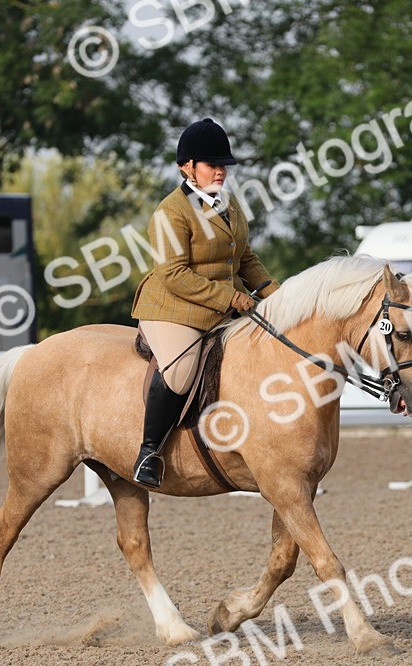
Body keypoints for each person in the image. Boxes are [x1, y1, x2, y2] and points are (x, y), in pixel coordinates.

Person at [129, 118, 280, 488]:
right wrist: (231, 296)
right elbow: (173, 274)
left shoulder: (230, 206)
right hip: (173, 308)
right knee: (180, 371)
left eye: (223, 165)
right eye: (212, 165)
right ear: (186, 167)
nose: (220, 172)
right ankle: (149, 453)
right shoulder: (171, 213)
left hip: (222, 309)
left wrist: (280, 297)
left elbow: (245, 259)